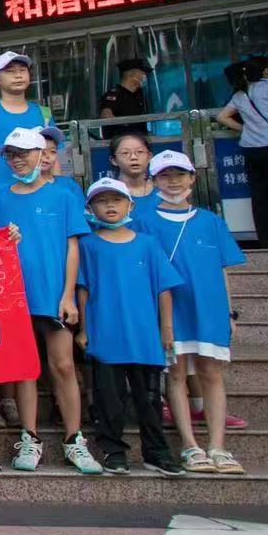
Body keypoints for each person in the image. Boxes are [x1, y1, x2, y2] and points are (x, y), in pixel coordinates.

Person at [0, 128, 103, 474]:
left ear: (42, 153)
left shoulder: (63, 196)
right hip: (16, 297)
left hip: (54, 296)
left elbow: (73, 248)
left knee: (64, 365)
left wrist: (68, 295)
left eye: (23, 152)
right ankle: (30, 436)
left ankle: (74, 439)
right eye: (11, 154)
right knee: (26, 369)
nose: (17, 160)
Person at [140, 151, 246, 474]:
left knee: (211, 374)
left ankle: (218, 447)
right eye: (165, 175)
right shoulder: (144, 221)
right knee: (175, 375)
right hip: (170, 311)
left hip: (208, 308)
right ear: (154, 181)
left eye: (179, 174)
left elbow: (222, 269)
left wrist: (229, 312)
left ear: (192, 178)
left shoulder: (211, 221)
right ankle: (189, 445)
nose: (173, 181)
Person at [77, 178, 184, 477]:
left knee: (149, 400)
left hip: (145, 336)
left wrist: (166, 329)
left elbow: (164, 288)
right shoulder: (88, 245)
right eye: (102, 201)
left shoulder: (148, 243)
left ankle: (157, 453)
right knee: (109, 400)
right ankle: (113, 451)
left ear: (130, 205)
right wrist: (84, 329)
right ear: (90, 209)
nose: (110, 206)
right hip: (106, 334)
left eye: (116, 200)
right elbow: (83, 289)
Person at [216, 56, 268, 247]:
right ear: (266, 71)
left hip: (250, 149)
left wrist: (246, 130)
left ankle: (266, 240)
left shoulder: (241, 93)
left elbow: (222, 117)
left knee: (260, 195)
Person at [0, 51, 53, 184]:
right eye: (10, 71)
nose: (18, 75)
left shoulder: (44, 113)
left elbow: (53, 156)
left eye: (22, 70)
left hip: (38, 189)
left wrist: (56, 185)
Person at [107, 129, 163, 224]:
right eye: (125, 153)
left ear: (149, 156)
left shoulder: (164, 190)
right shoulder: (105, 193)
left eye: (140, 151)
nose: (133, 157)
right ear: (114, 160)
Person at [99, 56, 153, 129]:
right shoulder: (114, 94)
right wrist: (125, 125)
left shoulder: (140, 94)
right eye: (142, 73)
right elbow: (105, 115)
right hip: (122, 135)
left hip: (141, 135)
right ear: (131, 74)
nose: (145, 75)